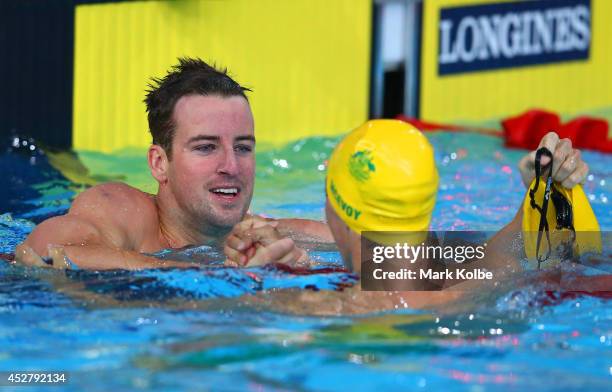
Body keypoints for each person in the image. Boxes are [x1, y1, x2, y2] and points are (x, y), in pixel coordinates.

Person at [225, 120, 599, 311]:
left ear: (333, 202)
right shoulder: (474, 277)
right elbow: (527, 235)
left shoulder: (326, 310)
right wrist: (544, 181)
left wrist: (247, 284)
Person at [14, 58, 329, 269]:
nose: (231, 166)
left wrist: (303, 267)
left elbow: (377, 259)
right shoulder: (121, 211)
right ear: (159, 163)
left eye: (243, 147)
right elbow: (44, 251)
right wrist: (215, 273)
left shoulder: (276, 236)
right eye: (206, 147)